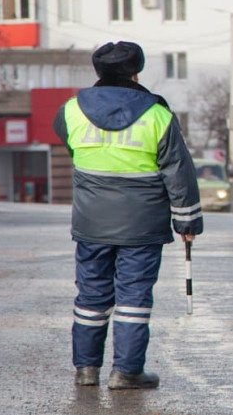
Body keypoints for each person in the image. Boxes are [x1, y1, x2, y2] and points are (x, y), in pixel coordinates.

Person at [53, 41, 203, 390]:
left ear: (98, 72)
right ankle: (126, 371)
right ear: (136, 73)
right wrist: (188, 222)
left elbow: (73, 147)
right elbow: (178, 172)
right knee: (133, 298)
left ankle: (86, 370)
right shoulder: (157, 115)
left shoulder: (71, 110)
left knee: (91, 296)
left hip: (91, 224)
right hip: (142, 226)